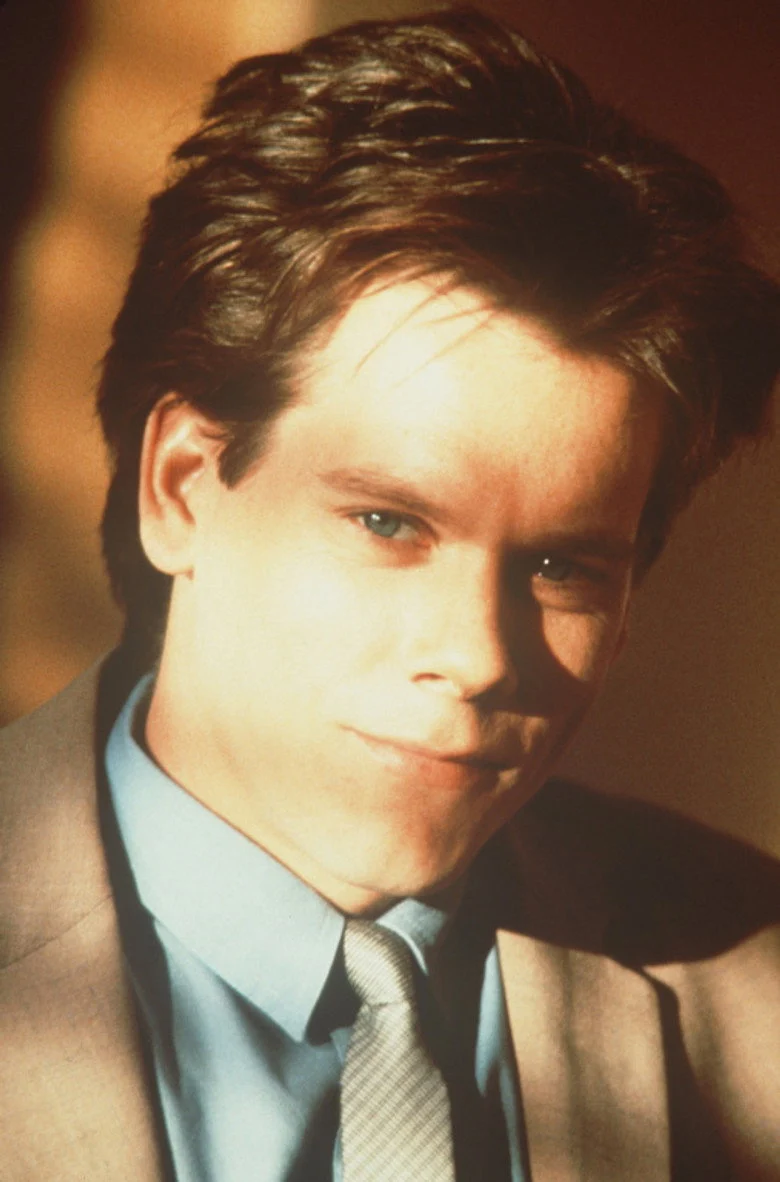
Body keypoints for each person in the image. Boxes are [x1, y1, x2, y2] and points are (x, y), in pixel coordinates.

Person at [1, 7, 779, 1180]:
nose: (477, 656)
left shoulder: (752, 973)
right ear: (180, 488)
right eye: (388, 523)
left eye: (562, 567)